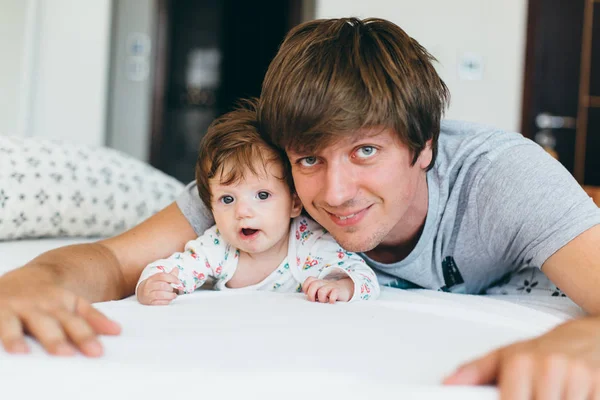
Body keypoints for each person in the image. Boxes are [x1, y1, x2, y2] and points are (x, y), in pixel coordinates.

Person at [1, 16, 600, 399]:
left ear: (424, 148)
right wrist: (33, 279)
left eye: (366, 151)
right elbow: (110, 258)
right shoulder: (264, 176)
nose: (335, 193)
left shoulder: (505, 178)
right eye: (310, 158)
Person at [135, 102, 379, 305]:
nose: (243, 211)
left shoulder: (310, 244)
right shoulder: (218, 246)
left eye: (262, 195)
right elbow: (171, 270)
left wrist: (341, 287)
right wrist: (153, 285)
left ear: (295, 203)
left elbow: (365, 278)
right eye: (227, 199)